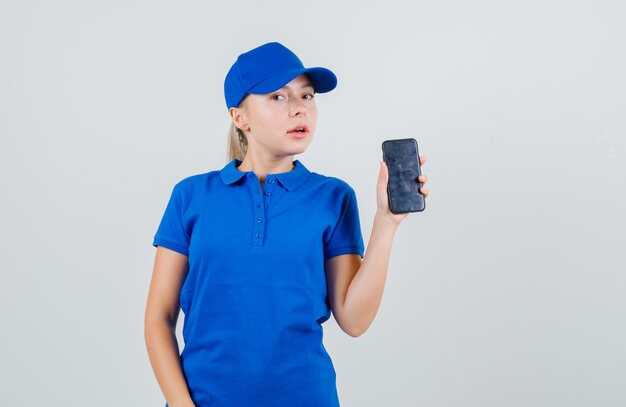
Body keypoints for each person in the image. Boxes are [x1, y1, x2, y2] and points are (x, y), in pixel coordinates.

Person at [144, 41, 430, 407]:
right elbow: (158, 318)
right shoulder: (190, 196)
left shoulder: (332, 197)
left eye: (307, 96)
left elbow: (354, 320)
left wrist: (386, 222)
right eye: (278, 97)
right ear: (239, 117)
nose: (299, 109)